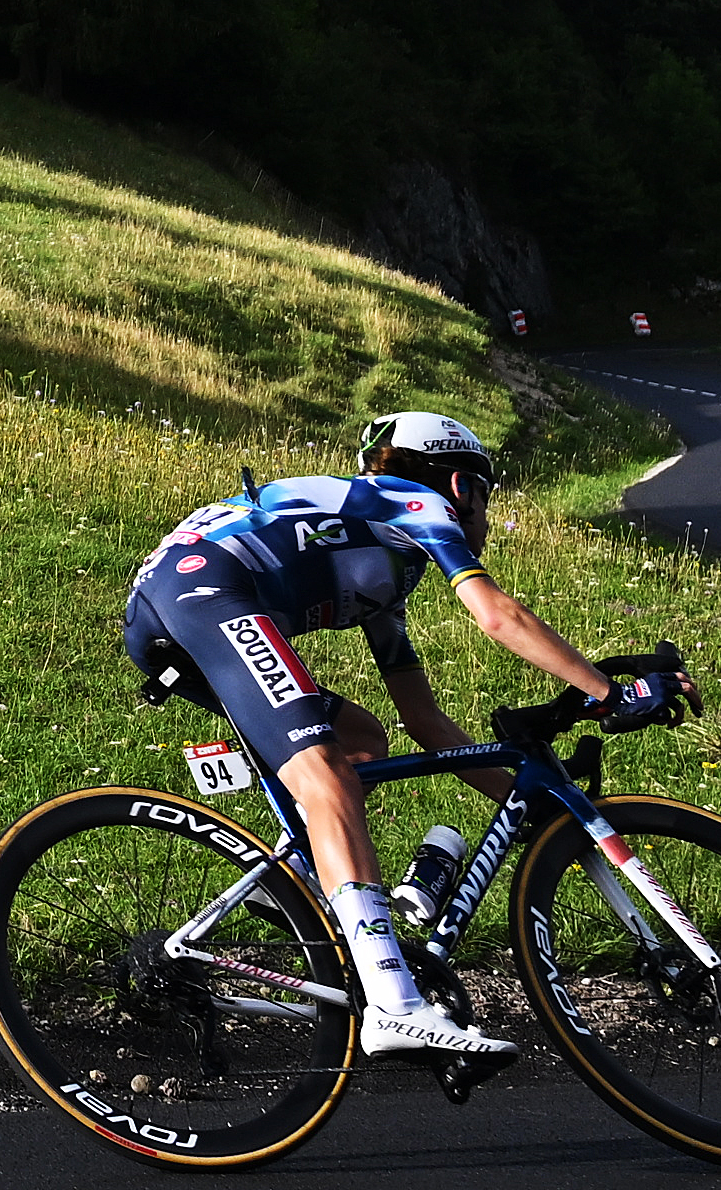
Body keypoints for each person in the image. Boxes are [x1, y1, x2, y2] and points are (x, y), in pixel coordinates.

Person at [125, 408, 663, 1061]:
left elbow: (426, 722)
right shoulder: (411, 501)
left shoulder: (383, 570)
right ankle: (394, 1003)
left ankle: (289, 880)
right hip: (204, 587)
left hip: (194, 601)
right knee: (322, 770)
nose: (486, 517)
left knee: (361, 740)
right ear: (458, 486)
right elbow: (498, 615)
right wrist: (613, 694)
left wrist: (527, 805)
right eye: (485, 497)